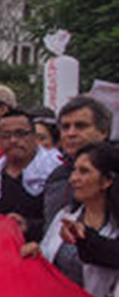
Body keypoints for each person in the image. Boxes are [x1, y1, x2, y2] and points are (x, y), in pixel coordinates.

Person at [25, 142, 119, 297]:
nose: (73, 179)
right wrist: (36, 253)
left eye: (84, 171)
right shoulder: (65, 215)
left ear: (107, 181)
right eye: (74, 170)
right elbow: (48, 260)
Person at [0, 110, 62, 242]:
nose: (13, 140)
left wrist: (29, 225)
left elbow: (61, 222)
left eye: (21, 134)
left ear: (35, 137)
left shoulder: (55, 172)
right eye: (6, 135)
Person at [44, 96, 112, 229]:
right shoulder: (57, 176)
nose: (71, 133)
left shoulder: (114, 171)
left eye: (80, 126)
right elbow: (50, 225)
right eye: (65, 127)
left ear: (103, 132)